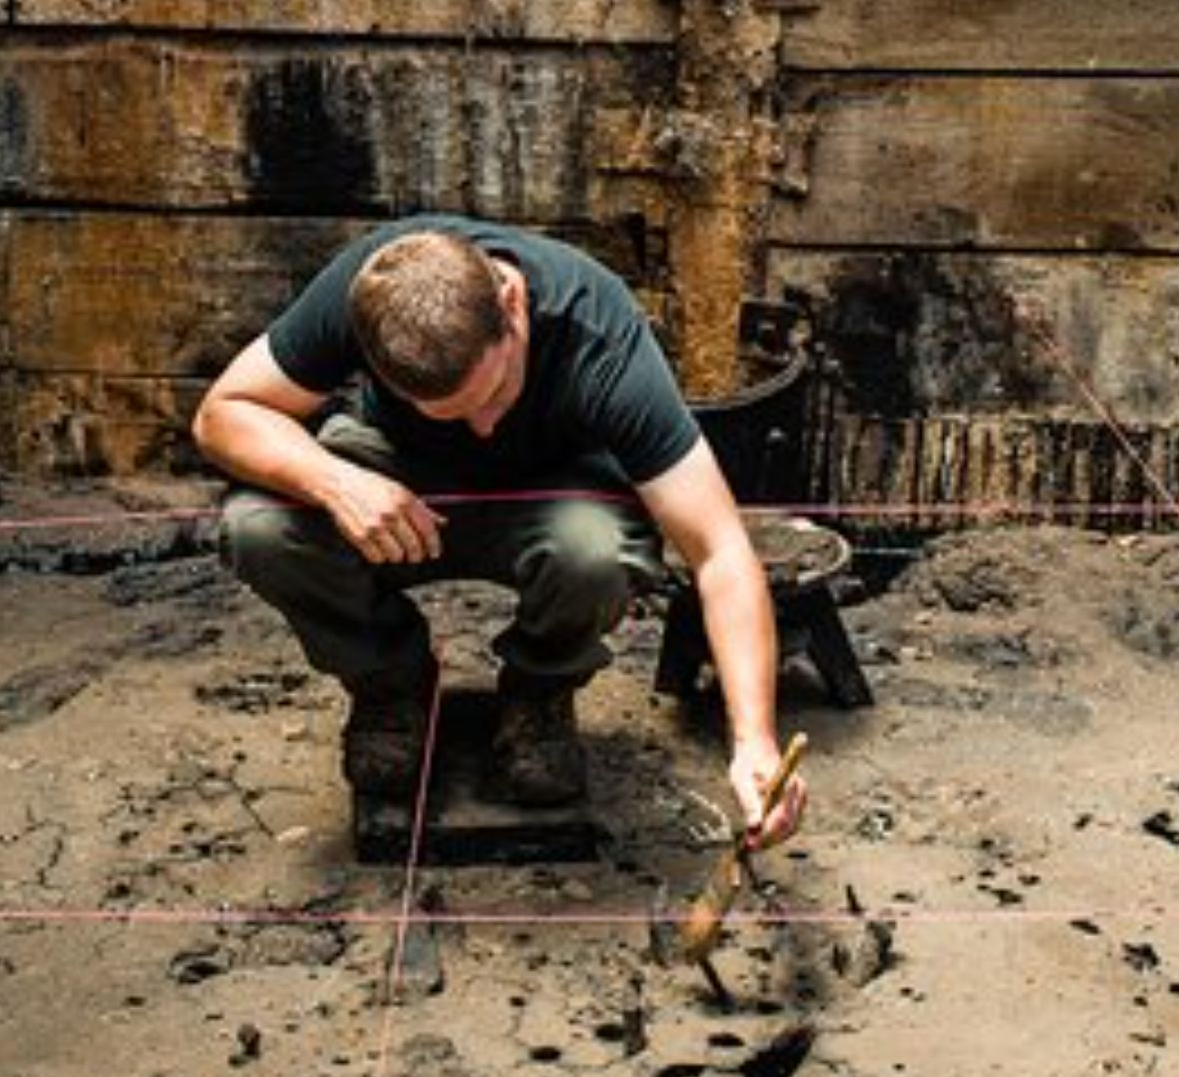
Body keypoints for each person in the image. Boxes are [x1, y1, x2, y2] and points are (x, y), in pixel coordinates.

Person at [192, 216, 807, 850]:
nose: (482, 426)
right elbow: (221, 414)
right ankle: (389, 687)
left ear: (512, 305)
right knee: (260, 527)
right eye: (453, 411)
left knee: (596, 551)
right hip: (398, 481)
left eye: (494, 392)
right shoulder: (364, 291)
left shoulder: (599, 333)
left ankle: (538, 699)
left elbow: (720, 551)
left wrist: (754, 741)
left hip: (550, 493)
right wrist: (333, 481)